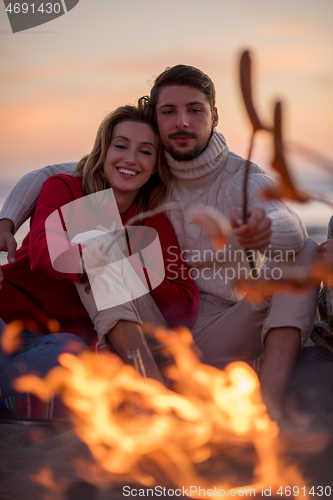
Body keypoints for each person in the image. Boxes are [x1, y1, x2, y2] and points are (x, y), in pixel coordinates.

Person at [0, 65, 318, 421]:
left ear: (214, 115)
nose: (182, 122)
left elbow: (291, 229)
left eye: (194, 110)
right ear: (155, 117)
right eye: (169, 111)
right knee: (97, 236)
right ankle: (154, 396)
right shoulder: (122, 174)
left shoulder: (234, 182)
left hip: (213, 326)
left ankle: (269, 407)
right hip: (125, 322)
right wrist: (7, 220)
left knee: (306, 252)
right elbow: (48, 178)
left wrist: (265, 228)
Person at [0, 99, 199, 414]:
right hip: (4, 315)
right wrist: (110, 252)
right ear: (103, 151)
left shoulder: (153, 218)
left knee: (75, 355)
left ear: (156, 163)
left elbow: (184, 305)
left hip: (51, 343)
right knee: (96, 234)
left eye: (145, 151)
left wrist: (131, 267)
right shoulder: (66, 188)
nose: (131, 159)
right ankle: (154, 394)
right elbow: (41, 254)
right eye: (121, 146)